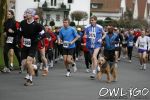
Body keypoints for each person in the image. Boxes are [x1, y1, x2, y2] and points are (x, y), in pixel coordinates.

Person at [20, 9, 45, 86]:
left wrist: (38, 38)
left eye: (28, 13)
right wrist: (18, 41)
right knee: (24, 64)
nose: (26, 14)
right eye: (26, 13)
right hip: (25, 46)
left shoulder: (37, 25)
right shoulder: (23, 23)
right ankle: (34, 67)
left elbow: (43, 33)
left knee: (28, 62)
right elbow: (20, 33)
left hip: (33, 46)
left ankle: (30, 80)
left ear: (32, 15)